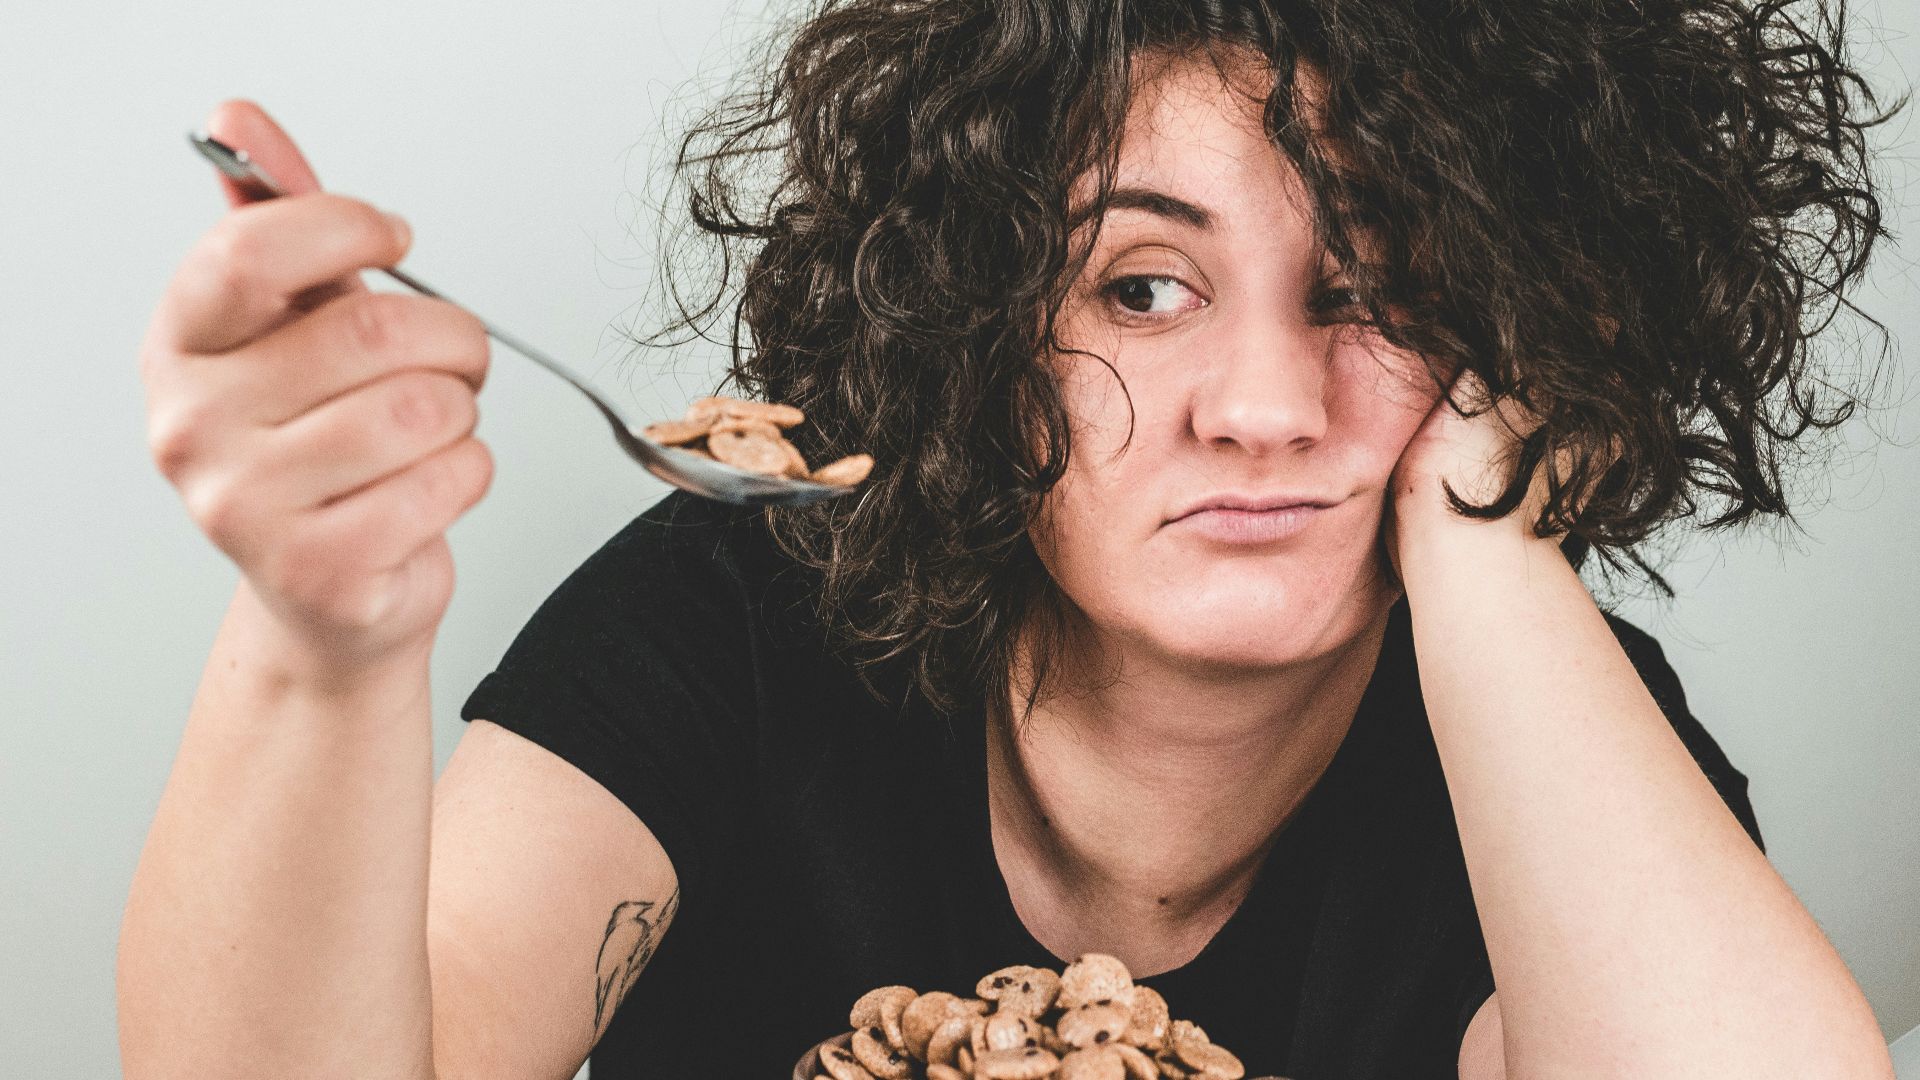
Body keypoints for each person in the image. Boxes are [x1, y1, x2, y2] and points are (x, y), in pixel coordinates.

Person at [118, 0, 1901, 1077]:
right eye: (1142, 286)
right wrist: (317, 641)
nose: (1266, 404)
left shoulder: (1551, 731)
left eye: (1376, 293)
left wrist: (1499, 541)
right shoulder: (735, 619)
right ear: (974, 321)